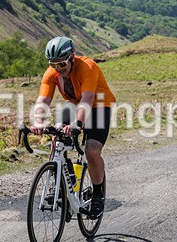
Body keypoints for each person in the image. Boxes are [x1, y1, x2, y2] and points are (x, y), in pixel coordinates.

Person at [32, 36, 115, 219]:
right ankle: (60, 185)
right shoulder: (52, 73)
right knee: (56, 137)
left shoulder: (87, 67)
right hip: (74, 104)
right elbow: (43, 99)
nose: (58, 69)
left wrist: (77, 124)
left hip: (99, 105)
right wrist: (38, 121)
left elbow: (87, 99)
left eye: (62, 64)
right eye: (54, 65)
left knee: (91, 151)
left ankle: (98, 195)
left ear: (72, 57)